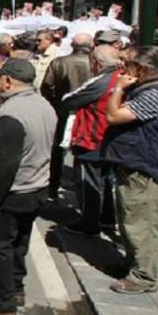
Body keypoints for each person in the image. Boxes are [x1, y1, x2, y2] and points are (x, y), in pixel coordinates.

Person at [0, 59, 56, 315]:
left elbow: (7, 163)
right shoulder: (44, 106)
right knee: (18, 242)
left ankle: (0, 302)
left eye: (0, 79)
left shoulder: (9, 116)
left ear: (8, 81)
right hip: (35, 187)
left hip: (10, 192)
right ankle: (14, 289)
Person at [102, 46, 158, 294]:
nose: (122, 67)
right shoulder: (148, 90)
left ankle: (142, 276)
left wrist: (119, 88)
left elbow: (113, 116)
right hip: (136, 164)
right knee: (130, 219)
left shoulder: (155, 94)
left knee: (140, 224)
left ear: (141, 69)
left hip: (145, 168)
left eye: (127, 63)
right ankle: (132, 264)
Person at [57, 46, 121, 237]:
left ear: (97, 62)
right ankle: (108, 218)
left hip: (92, 138)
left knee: (88, 182)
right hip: (111, 139)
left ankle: (89, 222)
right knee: (106, 181)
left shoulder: (102, 81)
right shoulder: (121, 77)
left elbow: (70, 99)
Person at [41, 33, 93, 199]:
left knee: (57, 151)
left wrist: (55, 102)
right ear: (90, 46)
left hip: (62, 110)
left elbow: (47, 86)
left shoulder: (59, 62)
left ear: (72, 45)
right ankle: (82, 191)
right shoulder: (94, 63)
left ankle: (53, 187)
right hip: (87, 112)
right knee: (84, 151)